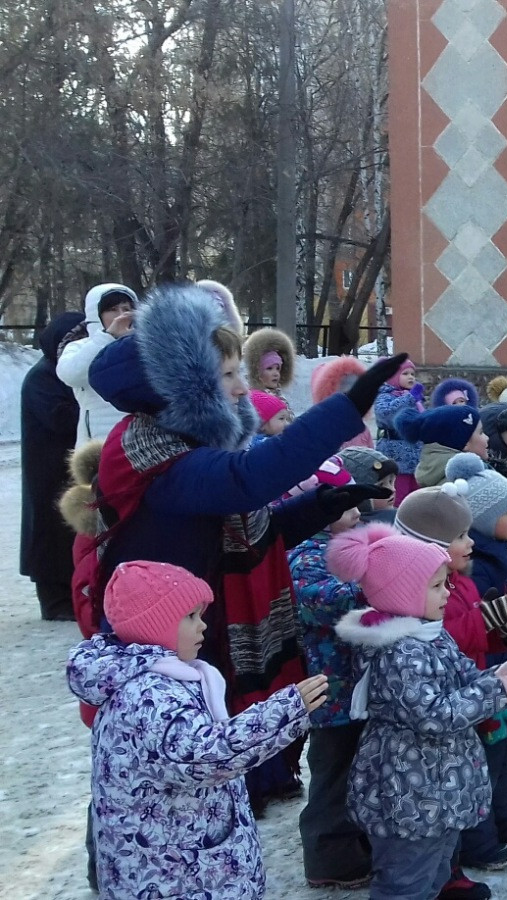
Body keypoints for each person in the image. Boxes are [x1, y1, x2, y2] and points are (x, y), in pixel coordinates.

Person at [76, 283, 394, 813]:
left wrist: (323, 505)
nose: (242, 390)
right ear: (181, 389)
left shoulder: (191, 448)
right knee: (159, 789)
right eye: (227, 377)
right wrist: (344, 411)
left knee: (205, 785)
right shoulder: (153, 456)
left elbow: (254, 536)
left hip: (204, 629)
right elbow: (247, 482)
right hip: (165, 646)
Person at [68, 560, 325, 900]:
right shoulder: (151, 696)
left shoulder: (158, 679)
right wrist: (285, 712)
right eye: (190, 617)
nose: (202, 626)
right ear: (154, 626)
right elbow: (204, 757)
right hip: (175, 876)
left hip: (174, 862)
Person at [330, 524, 507, 900]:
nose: (448, 592)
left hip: (435, 788)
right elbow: (433, 714)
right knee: (405, 883)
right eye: (437, 586)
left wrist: (496, 677)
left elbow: (461, 677)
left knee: (434, 872)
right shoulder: (399, 652)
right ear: (403, 591)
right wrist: (494, 690)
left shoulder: (429, 633)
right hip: (408, 792)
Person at [448, 453, 507, 871]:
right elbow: (472, 630)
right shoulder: (475, 568)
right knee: (486, 761)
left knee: (506, 756)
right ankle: (479, 841)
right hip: (490, 674)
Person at [290, 490, 375, 889]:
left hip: (352, 685)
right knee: (334, 774)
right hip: (330, 688)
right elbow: (322, 602)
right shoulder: (306, 554)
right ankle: (328, 857)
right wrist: (376, 584)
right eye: (347, 507)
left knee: (355, 769)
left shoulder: (345, 547)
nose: (358, 514)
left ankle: (354, 845)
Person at [20, 310, 84, 620]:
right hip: (47, 467)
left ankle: (69, 595)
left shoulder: (61, 373)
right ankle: (54, 600)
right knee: (49, 530)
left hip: (68, 464)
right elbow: (60, 418)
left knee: (67, 531)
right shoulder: (43, 377)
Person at [56, 283, 138, 445]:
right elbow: (71, 375)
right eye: (113, 309)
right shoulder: (79, 347)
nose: (121, 315)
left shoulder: (145, 346)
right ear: (97, 315)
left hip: (142, 440)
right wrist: (108, 337)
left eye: (126, 309)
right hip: (98, 442)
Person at [395, 404, 488, 487]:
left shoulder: (436, 474)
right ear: (464, 442)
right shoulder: (467, 483)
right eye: (481, 432)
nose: (487, 437)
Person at [373, 357, 426, 502]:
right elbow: (386, 415)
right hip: (395, 455)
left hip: (416, 456)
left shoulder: (414, 399)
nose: (410, 377)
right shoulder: (385, 396)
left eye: (412, 374)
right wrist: (409, 398)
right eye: (405, 373)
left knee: (416, 498)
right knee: (399, 496)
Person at [243, 327, 295, 401]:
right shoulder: (255, 400)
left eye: (278, 369)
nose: (276, 374)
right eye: (269, 368)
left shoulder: (278, 395)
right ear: (257, 372)